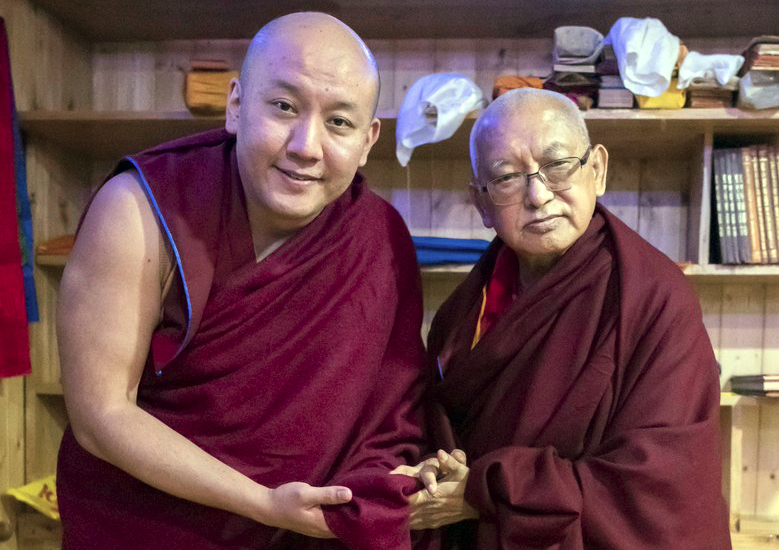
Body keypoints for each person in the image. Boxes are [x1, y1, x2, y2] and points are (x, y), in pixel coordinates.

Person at [56, 12, 427, 550]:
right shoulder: (142, 209)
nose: (306, 145)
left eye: (339, 123)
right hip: (148, 528)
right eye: (283, 107)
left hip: (308, 533)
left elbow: (392, 412)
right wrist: (263, 502)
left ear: (369, 140)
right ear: (235, 105)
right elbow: (101, 414)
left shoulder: (380, 236)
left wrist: (392, 482)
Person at [393, 88, 731, 549]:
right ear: (482, 203)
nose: (537, 195)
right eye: (508, 177)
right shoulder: (459, 318)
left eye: (557, 166)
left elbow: (660, 487)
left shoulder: (652, 298)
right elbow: (438, 431)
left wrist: (485, 492)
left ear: (598, 170)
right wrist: (436, 468)